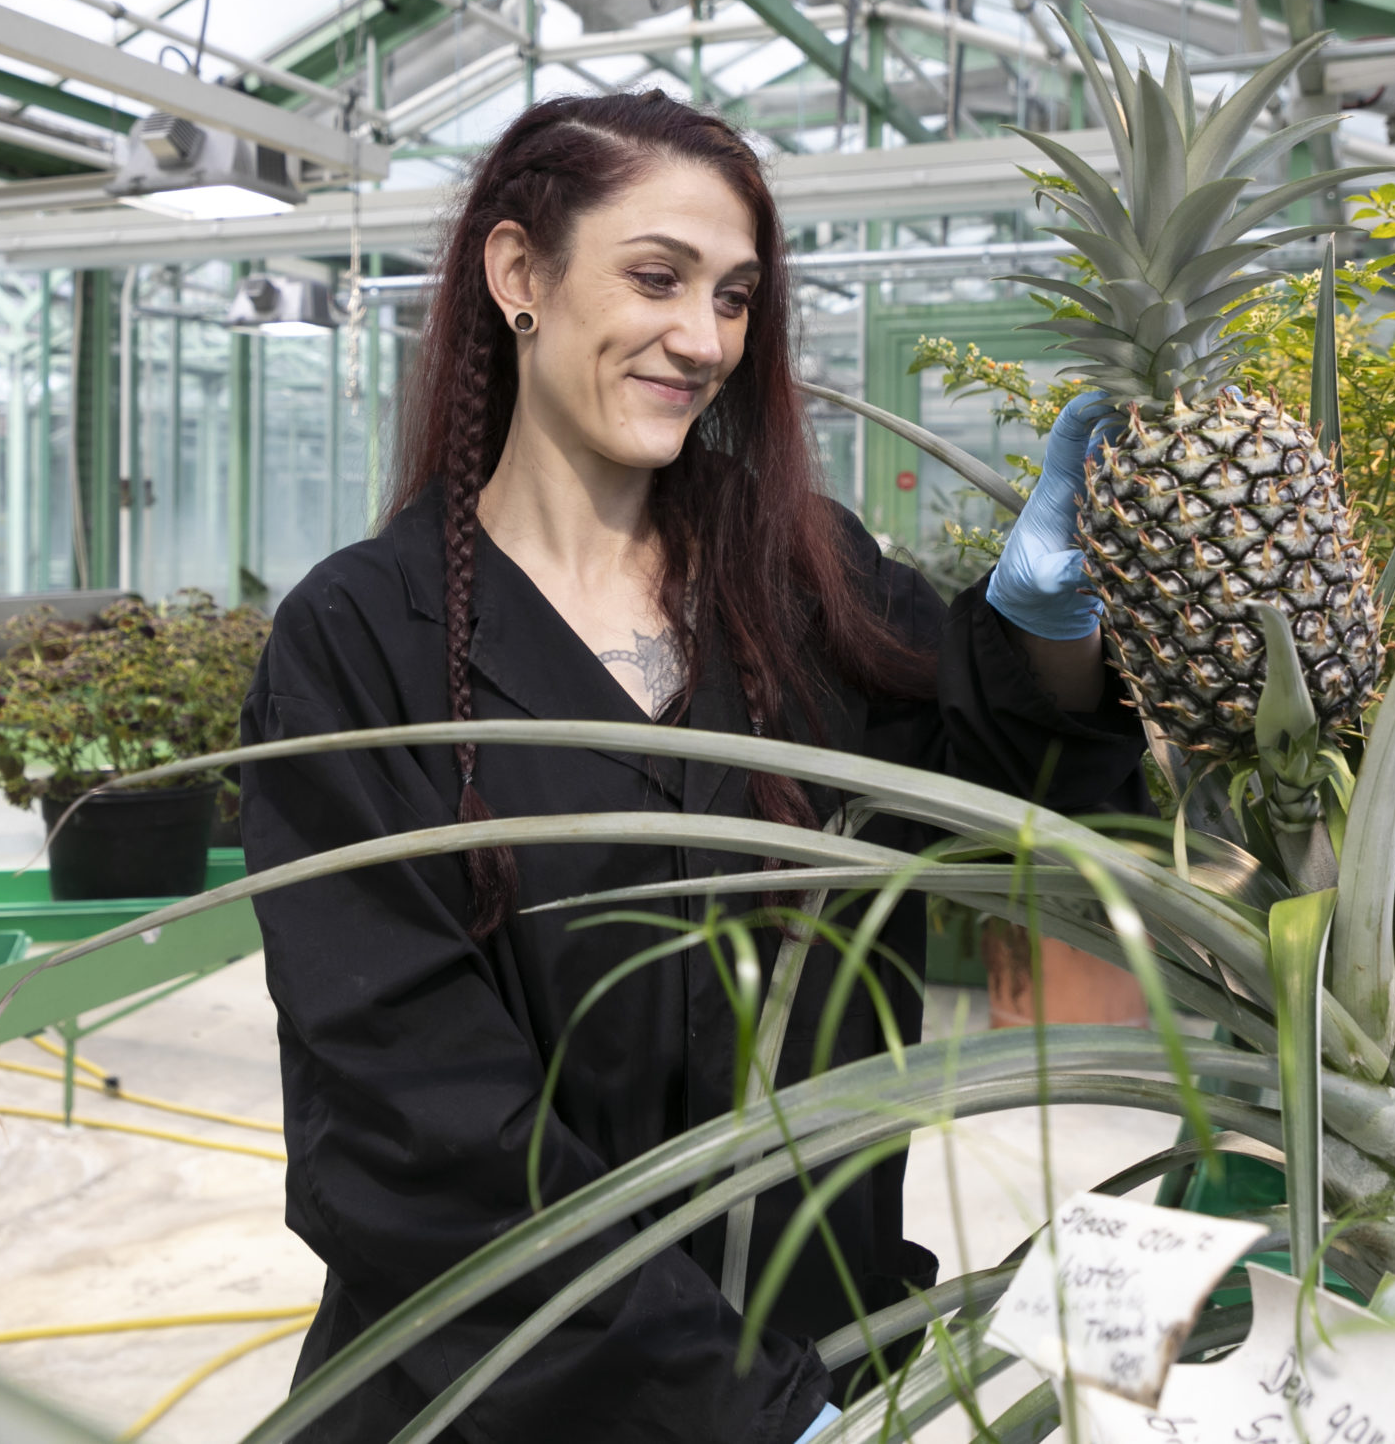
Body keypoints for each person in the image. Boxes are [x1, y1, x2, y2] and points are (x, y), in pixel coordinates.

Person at [240, 91, 1146, 1444]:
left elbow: (998, 796)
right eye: (656, 279)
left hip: (823, 1334)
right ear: (517, 276)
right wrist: (736, 1414)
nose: (703, 337)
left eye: (734, 297)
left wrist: (1048, 633)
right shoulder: (364, 641)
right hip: (503, 1391)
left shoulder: (800, 574)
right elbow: (412, 1124)